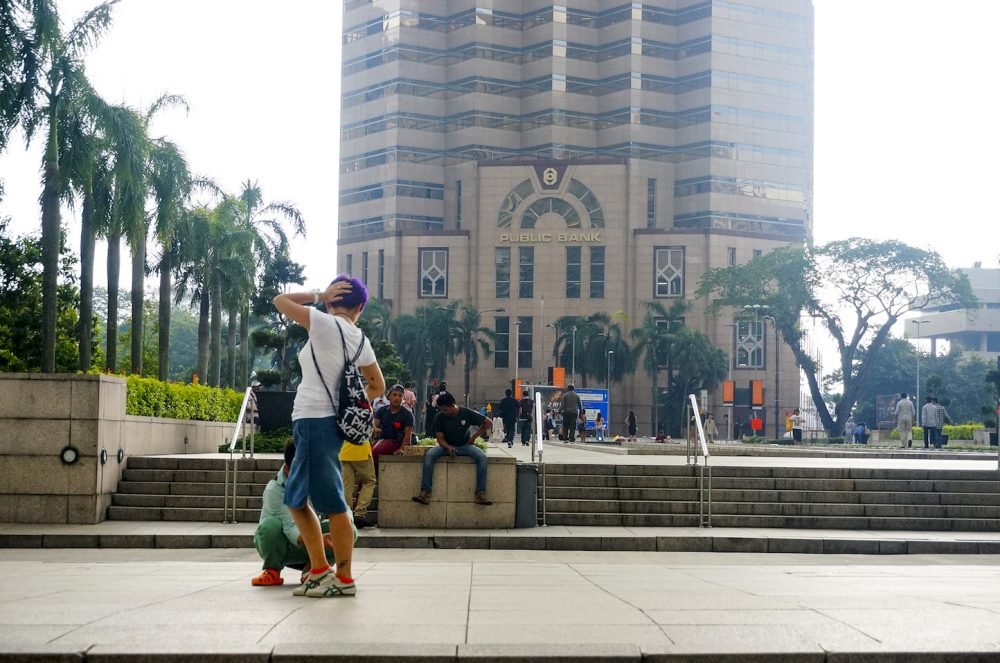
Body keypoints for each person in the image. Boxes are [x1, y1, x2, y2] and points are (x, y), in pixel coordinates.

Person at [272, 275, 385, 599]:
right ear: (360, 307)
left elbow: (280, 301)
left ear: (333, 302)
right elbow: (376, 385)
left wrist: (319, 295)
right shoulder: (360, 339)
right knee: (296, 499)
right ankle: (321, 570)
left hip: (315, 419)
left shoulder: (323, 324)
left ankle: (342, 576)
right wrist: (345, 401)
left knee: (330, 502)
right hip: (324, 422)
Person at [252, 441, 356, 586]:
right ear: (291, 467)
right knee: (270, 526)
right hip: (284, 547)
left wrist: (342, 527)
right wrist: (321, 539)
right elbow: (291, 529)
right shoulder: (274, 490)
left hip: (313, 546)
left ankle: (313, 570)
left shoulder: (321, 478)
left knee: (348, 529)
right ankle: (272, 570)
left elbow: (343, 510)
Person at [412, 391, 494, 506]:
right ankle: (425, 491)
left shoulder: (466, 412)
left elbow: (488, 422)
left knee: (481, 457)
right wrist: (448, 447)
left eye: (445, 409)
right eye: (441, 409)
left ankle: (480, 493)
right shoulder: (439, 417)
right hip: (445, 447)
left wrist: (474, 437)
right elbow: (440, 439)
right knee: (429, 455)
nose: (443, 412)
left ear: (452, 406)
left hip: (464, 446)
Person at [340, 430, 376, 529]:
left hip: (344, 452)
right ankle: (360, 514)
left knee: (346, 486)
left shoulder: (343, 415)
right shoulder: (366, 413)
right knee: (369, 481)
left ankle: (347, 515)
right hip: (362, 451)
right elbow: (371, 431)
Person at [371, 384, 415, 461]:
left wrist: (401, 449)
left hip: (396, 442)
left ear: (402, 398)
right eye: (394, 395)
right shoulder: (381, 411)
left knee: (375, 451)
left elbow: (408, 436)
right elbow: (374, 427)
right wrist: (375, 430)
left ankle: (374, 473)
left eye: (400, 396)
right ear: (389, 396)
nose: (397, 398)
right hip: (382, 440)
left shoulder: (407, 414)